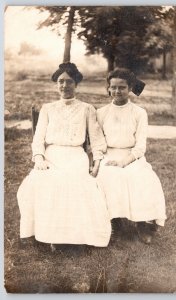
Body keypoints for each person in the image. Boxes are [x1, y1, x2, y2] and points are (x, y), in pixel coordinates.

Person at [17, 62, 111, 248]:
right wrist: (39, 157)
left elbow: (97, 140)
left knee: (75, 183)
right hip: (52, 154)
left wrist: (97, 162)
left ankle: (75, 237)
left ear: (76, 84)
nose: (64, 86)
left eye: (69, 82)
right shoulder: (48, 108)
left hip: (76, 155)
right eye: (61, 81)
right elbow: (38, 139)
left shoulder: (87, 109)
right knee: (44, 181)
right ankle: (49, 234)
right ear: (56, 84)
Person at [97, 68, 166, 244]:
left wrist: (124, 161)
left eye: (122, 87)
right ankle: (115, 223)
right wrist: (100, 160)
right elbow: (97, 142)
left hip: (131, 156)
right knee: (108, 176)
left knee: (141, 176)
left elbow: (140, 146)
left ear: (129, 88)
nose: (117, 91)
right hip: (109, 154)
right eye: (113, 87)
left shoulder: (139, 112)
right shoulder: (101, 112)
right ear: (108, 88)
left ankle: (143, 223)